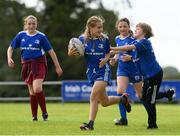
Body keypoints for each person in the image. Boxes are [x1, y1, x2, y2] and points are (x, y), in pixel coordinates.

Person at [68, 16, 131, 130]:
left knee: (93, 96)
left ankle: (90, 124)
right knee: (105, 102)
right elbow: (73, 53)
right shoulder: (81, 39)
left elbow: (108, 53)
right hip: (91, 72)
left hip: (103, 70)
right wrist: (71, 53)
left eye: (101, 27)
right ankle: (123, 99)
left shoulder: (104, 39)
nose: (101, 30)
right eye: (98, 28)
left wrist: (106, 59)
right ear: (90, 28)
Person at [110, 22, 175, 129]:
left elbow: (129, 47)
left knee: (150, 99)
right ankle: (167, 94)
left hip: (155, 74)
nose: (135, 30)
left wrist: (112, 48)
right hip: (147, 76)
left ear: (144, 32)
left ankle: (152, 124)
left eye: (138, 29)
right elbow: (131, 52)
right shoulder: (137, 42)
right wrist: (117, 57)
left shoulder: (144, 42)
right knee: (144, 97)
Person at [7, 15, 63, 121]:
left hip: (39, 63)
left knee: (37, 88)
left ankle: (44, 112)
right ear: (26, 24)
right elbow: (10, 48)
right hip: (26, 64)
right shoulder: (21, 35)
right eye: (29, 23)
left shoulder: (41, 36)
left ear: (36, 24)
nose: (31, 26)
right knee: (32, 92)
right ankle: (34, 116)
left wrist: (57, 66)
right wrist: (9, 58)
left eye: (33, 23)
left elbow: (51, 51)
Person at [109, 18, 143, 126]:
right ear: (117, 28)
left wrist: (131, 57)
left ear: (129, 27)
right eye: (120, 27)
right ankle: (123, 119)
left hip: (135, 69)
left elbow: (140, 54)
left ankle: (151, 118)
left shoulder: (134, 39)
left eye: (124, 26)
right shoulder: (117, 38)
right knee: (120, 92)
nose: (122, 28)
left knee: (141, 95)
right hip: (122, 68)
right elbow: (118, 52)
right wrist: (114, 59)